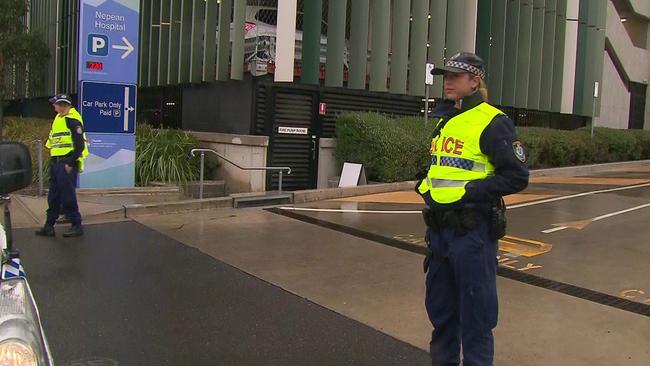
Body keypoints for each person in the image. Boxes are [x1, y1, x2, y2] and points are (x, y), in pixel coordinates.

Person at [417, 52, 529, 366]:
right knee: (441, 315)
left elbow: (517, 176)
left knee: (476, 321)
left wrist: (472, 191)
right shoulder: (445, 119)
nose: (448, 82)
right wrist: (424, 185)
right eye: (445, 76)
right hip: (439, 233)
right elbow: (444, 168)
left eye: (455, 76)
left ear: (474, 80)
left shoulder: (493, 122)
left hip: (472, 233)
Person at [35, 94, 88, 238]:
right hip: (56, 162)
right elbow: (54, 140)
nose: (53, 106)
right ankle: (49, 226)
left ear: (63, 105)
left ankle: (76, 225)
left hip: (66, 163)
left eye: (55, 104)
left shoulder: (73, 119)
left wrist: (71, 163)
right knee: (54, 196)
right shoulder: (59, 118)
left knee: (67, 196)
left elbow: (80, 145)